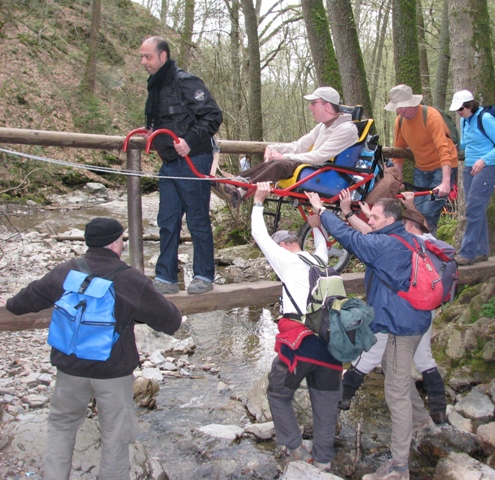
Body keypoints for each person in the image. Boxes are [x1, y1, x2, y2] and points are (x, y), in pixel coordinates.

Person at [3, 217, 182, 480]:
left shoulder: (65, 271)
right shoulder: (131, 280)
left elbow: (21, 302)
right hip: (113, 373)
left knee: (62, 427)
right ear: (115, 242)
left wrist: (8, 303)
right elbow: (171, 321)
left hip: (70, 369)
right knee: (115, 437)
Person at [306, 192, 432, 480]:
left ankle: (400, 467)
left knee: (395, 393)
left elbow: (356, 241)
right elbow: (364, 233)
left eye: (374, 217)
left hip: (402, 326)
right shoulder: (404, 237)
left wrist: (323, 212)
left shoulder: (387, 245)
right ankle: (424, 422)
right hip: (403, 320)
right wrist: (347, 212)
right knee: (393, 372)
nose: (369, 220)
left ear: (389, 219)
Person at [251, 183, 342, 472]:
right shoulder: (321, 260)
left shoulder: (287, 261)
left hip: (301, 344)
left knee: (278, 393)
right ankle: (324, 459)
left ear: (282, 246)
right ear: (296, 241)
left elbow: (258, 235)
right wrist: (316, 225)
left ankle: (295, 448)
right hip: (332, 345)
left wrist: (258, 202)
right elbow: (322, 246)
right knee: (326, 405)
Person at [337, 191, 447, 424]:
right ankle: (438, 409)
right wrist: (360, 215)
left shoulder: (400, 243)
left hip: (398, 312)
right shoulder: (428, 242)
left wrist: (346, 214)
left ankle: (343, 398)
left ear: (405, 224)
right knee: (424, 358)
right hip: (423, 310)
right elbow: (370, 233)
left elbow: (366, 238)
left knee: (371, 353)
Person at [139, 36, 223, 295]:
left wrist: (189, 141)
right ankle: (165, 277)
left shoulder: (186, 82)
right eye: (142, 57)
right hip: (169, 162)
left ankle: (203, 275)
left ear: (163, 56)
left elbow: (212, 116)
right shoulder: (156, 86)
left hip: (193, 159)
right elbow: (164, 120)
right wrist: (150, 132)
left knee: (197, 220)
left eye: (148, 56)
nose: (144, 62)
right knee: (167, 219)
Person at [225, 87, 359, 202]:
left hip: (323, 175)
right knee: (274, 162)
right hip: (313, 168)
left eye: (313, 103)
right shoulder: (322, 127)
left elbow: (320, 156)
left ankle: (239, 191)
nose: (310, 107)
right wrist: (273, 148)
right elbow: (298, 146)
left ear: (327, 106)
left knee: (279, 164)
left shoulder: (346, 129)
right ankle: (236, 183)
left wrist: (284, 157)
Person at [385, 84, 459, 236]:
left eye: (401, 107)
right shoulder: (400, 121)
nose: (398, 111)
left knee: (428, 214)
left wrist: (445, 181)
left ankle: (429, 251)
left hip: (443, 167)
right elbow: (398, 151)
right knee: (416, 211)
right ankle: (422, 248)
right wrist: (397, 178)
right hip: (422, 169)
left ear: (410, 104)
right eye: (396, 108)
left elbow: (443, 149)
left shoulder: (431, 116)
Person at [449, 90, 495, 265]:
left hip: (488, 166)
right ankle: (482, 250)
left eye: (460, 109)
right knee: (475, 207)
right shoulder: (464, 120)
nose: (458, 113)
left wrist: (484, 160)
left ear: (468, 106)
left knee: (474, 207)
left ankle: (467, 252)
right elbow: (466, 144)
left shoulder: (486, 118)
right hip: (469, 166)